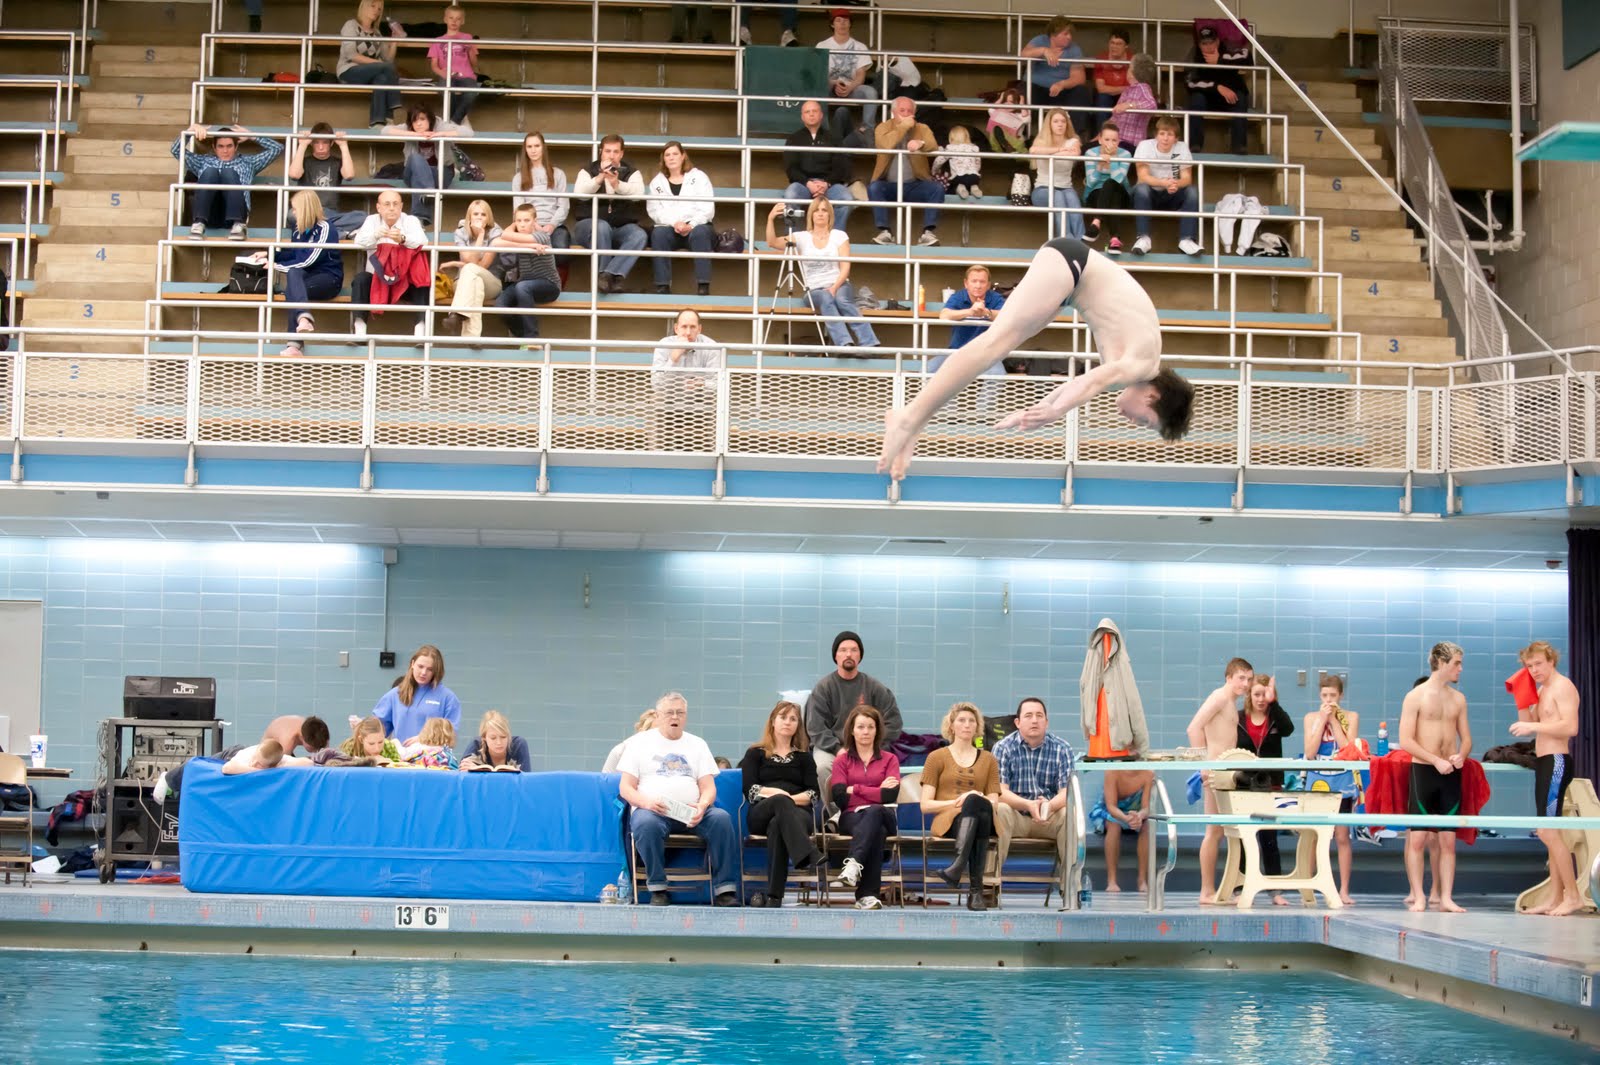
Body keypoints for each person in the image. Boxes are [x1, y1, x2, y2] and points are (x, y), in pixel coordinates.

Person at [877, 235, 1194, 480]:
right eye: (1144, 420)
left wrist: (1045, 407)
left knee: (1000, 343)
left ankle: (915, 420)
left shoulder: (1134, 371)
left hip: (1072, 280)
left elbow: (1080, 384)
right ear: (1153, 396)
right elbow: (1089, 383)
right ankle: (909, 417)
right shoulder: (1142, 365)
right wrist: (1055, 411)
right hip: (1073, 266)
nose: (1131, 421)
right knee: (995, 344)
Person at [618, 692, 740, 906]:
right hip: (654, 810)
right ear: (658, 715)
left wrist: (702, 806)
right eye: (669, 713)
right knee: (645, 823)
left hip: (692, 811)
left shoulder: (698, 744)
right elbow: (626, 788)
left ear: (686, 716)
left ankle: (725, 890)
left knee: (721, 819)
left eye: (680, 713)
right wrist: (646, 803)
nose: (675, 717)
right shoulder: (638, 743)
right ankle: (657, 888)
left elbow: (709, 788)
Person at [1400, 641, 1472, 913]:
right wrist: (1435, 760)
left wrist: (1461, 755)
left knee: (1448, 841)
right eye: (1456, 663)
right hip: (1424, 771)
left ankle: (1446, 897)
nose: (1460, 669)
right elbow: (1406, 740)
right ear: (1441, 663)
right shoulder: (1415, 697)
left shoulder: (1458, 699)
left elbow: (1466, 739)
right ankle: (1419, 896)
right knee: (1417, 839)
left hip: (1450, 773)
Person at [1511, 640, 1583, 916]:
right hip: (1544, 763)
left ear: (1551, 660)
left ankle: (1572, 896)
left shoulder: (1563, 686)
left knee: (1548, 831)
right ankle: (1555, 897)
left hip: (1557, 763)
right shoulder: (1542, 690)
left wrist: (1532, 723)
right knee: (1549, 833)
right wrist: (1521, 695)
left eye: (1538, 663)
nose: (1534, 670)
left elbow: (1570, 727)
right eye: (1529, 666)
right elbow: (1527, 727)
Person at [740, 700, 825, 907]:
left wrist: (787, 799)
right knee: (778, 803)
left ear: (798, 725)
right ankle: (808, 852)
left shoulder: (805, 757)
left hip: (798, 814)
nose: (788, 722)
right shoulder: (755, 753)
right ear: (772, 721)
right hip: (762, 810)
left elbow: (814, 794)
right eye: (783, 717)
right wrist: (778, 795)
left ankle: (774, 897)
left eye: (793, 719)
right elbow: (750, 789)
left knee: (778, 823)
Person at [764, 197, 878, 353]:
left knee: (842, 300)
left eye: (824, 210)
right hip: (814, 290)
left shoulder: (839, 235)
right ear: (811, 214)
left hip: (839, 284)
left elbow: (845, 267)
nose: (820, 213)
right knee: (825, 297)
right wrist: (770, 219)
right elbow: (772, 242)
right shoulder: (801, 237)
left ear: (830, 214)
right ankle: (845, 345)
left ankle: (870, 343)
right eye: (816, 210)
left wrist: (834, 287)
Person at [919, 702, 1000, 910]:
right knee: (976, 811)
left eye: (972, 721)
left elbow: (994, 802)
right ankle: (976, 893)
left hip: (983, 813)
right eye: (961, 720)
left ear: (977, 727)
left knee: (978, 805)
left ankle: (956, 867)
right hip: (948, 820)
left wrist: (974, 797)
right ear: (951, 726)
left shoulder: (989, 759)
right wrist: (959, 801)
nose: (967, 725)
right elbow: (925, 805)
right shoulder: (936, 757)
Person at [1186, 657, 1253, 904]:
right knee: (1213, 832)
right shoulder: (1219, 697)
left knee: (1221, 833)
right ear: (1228, 678)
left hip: (1224, 773)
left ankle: (1219, 890)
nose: (1245, 684)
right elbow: (1193, 728)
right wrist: (1203, 766)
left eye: (1249, 679)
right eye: (1241, 678)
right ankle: (1206, 891)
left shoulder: (1230, 702)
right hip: (1214, 772)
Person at [804, 630, 902, 798]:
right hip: (833, 749)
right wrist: (838, 749)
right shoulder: (824, 688)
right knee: (821, 766)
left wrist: (872, 744)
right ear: (836, 656)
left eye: (854, 650)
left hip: (869, 746)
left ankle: (871, 809)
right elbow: (815, 727)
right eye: (843, 650)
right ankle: (835, 816)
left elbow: (893, 722)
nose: (848, 654)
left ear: (860, 656)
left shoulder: (874, 687)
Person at [992, 697, 1075, 884]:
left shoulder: (1062, 748)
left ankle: (1070, 886)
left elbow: (1067, 792)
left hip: (1049, 816)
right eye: (1028, 716)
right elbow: (999, 792)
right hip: (1016, 816)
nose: (1035, 720)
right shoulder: (1003, 748)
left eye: (1039, 716)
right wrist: (1028, 805)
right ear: (1017, 722)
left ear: (1047, 721)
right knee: (1000, 809)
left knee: (1070, 814)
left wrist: (1049, 807)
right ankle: (991, 886)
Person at [829, 704, 901, 910]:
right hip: (851, 816)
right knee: (875, 829)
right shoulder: (842, 761)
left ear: (877, 730)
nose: (866, 731)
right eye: (860, 727)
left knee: (877, 811)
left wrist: (856, 789)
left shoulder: (890, 759)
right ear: (852, 730)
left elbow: (890, 795)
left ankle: (852, 863)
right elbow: (840, 797)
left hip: (885, 814)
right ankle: (867, 896)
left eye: (870, 726)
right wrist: (875, 790)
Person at [1237, 672, 1293, 904]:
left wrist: (1274, 704)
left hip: (1270, 784)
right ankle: (1240, 887)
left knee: (1269, 838)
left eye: (1264, 695)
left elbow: (1289, 729)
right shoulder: (1239, 718)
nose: (1261, 699)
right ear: (1249, 695)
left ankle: (1275, 891)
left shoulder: (1275, 719)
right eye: (1257, 694)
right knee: (1243, 837)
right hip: (1244, 784)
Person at [1304, 674, 1360, 906]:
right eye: (1325, 695)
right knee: (1315, 835)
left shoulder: (1351, 716)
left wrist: (1334, 720)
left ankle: (1343, 890)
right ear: (1320, 695)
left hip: (1342, 781)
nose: (1328, 700)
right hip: (1318, 780)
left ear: (1341, 696)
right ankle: (1308, 888)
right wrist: (1322, 721)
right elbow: (1309, 752)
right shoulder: (1311, 718)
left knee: (1341, 836)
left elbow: (1349, 749)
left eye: (1333, 696)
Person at [173, 123, 283, 240]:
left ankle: (238, 225)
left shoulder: (248, 163)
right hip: (210, 214)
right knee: (210, 172)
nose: (225, 150)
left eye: (229, 146)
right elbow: (176, 150)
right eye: (221, 146)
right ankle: (198, 223)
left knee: (228, 172)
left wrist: (252, 136)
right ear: (214, 148)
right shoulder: (204, 161)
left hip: (235, 215)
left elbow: (277, 149)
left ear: (236, 147)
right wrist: (190, 131)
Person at [571, 134, 648, 293]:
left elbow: (638, 194)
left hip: (619, 228)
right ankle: (606, 276)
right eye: (607, 151)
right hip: (588, 227)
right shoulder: (588, 170)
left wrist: (616, 184)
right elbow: (579, 193)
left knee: (639, 235)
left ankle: (607, 275)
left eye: (615, 151)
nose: (611, 155)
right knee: (602, 226)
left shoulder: (632, 172)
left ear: (621, 154)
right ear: (601, 152)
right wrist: (600, 178)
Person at [272, 190, 344, 357]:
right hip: (305, 279)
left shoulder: (326, 228)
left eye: (295, 208)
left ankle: (295, 344)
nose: (293, 212)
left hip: (328, 279)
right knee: (294, 279)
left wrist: (275, 266)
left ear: (305, 208)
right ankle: (303, 320)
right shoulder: (298, 230)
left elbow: (309, 260)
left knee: (293, 287)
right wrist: (269, 255)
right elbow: (293, 255)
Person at [350, 189, 430, 336]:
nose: (392, 208)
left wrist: (403, 239)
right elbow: (358, 241)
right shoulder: (371, 220)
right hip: (377, 279)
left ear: (401, 207)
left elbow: (423, 241)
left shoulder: (410, 220)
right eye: (387, 204)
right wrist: (375, 236)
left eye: (395, 204)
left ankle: (421, 331)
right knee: (360, 280)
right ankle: (359, 331)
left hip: (403, 280)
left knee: (421, 283)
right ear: (378, 207)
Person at [868, 95, 942, 247]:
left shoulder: (922, 128)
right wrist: (903, 127)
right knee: (874, 187)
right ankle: (885, 233)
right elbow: (885, 144)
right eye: (902, 110)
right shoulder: (883, 127)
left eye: (909, 111)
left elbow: (933, 145)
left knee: (937, 189)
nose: (906, 113)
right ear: (893, 112)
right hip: (888, 184)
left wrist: (920, 143)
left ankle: (927, 233)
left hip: (915, 184)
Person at [646, 141, 716, 296]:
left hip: (697, 228)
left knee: (700, 233)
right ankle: (662, 286)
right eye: (667, 155)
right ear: (663, 159)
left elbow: (707, 209)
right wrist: (675, 223)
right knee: (658, 234)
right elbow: (654, 211)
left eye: (675, 154)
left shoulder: (699, 177)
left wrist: (690, 225)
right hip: (671, 229)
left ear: (683, 156)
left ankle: (703, 285)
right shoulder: (656, 182)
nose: (671, 158)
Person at [483, 203, 560, 341]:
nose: (522, 224)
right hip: (524, 284)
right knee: (500, 304)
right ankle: (521, 335)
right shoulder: (524, 239)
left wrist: (520, 236)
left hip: (548, 285)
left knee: (522, 286)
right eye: (518, 221)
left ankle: (532, 338)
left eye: (527, 220)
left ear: (535, 221)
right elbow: (496, 242)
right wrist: (529, 246)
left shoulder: (542, 237)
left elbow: (505, 234)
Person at [650, 307, 723, 449]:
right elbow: (656, 385)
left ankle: (714, 452)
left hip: (700, 401)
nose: (688, 332)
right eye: (684, 327)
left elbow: (718, 384)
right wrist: (674, 358)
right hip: (669, 400)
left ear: (699, 329)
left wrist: (701, 384)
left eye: (692, 327)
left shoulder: (712, 347)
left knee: (719, 402)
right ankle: (656, 454)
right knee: (654, 400)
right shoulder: (664, 345)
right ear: (676, 328)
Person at [1131, 115, 1200, 256]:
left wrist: (1175, 184)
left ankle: (1186, 240)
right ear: (1156, 135)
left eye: (1170, 134)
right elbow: (1142, 176)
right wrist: (1163, 182)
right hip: (1149, 195)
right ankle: (1143, 238)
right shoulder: (1144, 146)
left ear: (1176, 138)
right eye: (1162, 133)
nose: (1165, 138)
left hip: (1172, 193)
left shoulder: (1182, 148)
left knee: (1192, 191)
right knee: (1141, 188)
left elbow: (1187, 179)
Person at [382, 104, 460, 227]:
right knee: (416, 159)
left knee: (418, 179)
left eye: (422, 119)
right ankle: (428, 191)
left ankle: (419, 221)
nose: (418, 124)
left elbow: (468, 132)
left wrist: (441, 134)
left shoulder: (439, 126)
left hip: (440, 175)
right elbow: (385, 131)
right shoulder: (409, 128)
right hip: (415, 174)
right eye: (415, 120)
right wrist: (413, 135)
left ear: (430, 119)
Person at [436, 198, 501, 338]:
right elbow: (471, 260)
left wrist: (455, 264)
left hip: (491, 282)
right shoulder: (461, 233)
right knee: (475, 283)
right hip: (463, 283)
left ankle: (457, 313)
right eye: (475, 214)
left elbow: (483, 266)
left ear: (488, 217)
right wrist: (479, 238)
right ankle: (472, 338)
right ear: (469, 217)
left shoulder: (495, 233)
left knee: (471, 271)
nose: (479, 217)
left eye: (483, 214)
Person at [288, 123, 367, 237]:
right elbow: (294, 175)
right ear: (312, 144)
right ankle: (336, 232)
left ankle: (324, 231)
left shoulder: (337, 162)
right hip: (307, 210)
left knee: (363, 217)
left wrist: (344, 145)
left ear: (332, 143)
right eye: (316, 142)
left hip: (330, 213)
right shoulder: (304, 161)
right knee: (292, 215)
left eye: (325, 142)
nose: (321, 147)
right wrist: (302, 145)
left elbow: (349, 175)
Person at [927, 263, 1005, 379]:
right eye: (974, 281)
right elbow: (944, 315)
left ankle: (984, 399)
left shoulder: (995, 298)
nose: (978, 285)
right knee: (928, 369)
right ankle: (946, 398)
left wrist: (986, 312)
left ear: (988, 285)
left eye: (982, 282)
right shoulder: (958, 296)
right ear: (966, 283)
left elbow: (1005, 316)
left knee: (998, 375)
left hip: (987, 353)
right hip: (957, 351)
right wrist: (970, 312)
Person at [783, 100, 854, 227]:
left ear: (821, 115)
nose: (811, 114)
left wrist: (826, 183)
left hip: (829, 184)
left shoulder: (833, 138)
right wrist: (808, 183)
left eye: (814, 111)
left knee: (846, 198)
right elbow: (791, 168)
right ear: (802, 116)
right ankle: (794, 238)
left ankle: (835, 237)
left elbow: (841, 166)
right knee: (790, 195)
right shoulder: (794, 139)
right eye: (807, 112)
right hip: (803, 184)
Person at [373, 643, 461, 740]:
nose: (423, 672)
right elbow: (378, 728)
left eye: (430, 669)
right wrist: (362, 727)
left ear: (436, 671)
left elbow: (450, 736)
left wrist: (423, 739)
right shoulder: (396, 694)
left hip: (432, 754)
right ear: (412, 664)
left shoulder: (448, 698)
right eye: (420, 666)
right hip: (402, 754)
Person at [1184, 26, 1250, 155]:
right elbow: (1190, 83)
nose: (1209, 46)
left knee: (1240, 97)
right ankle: (1194, 145)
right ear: (1199, 44)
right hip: (1207, 98)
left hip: (1230, 98)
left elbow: (1247, 57)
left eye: (1211, 42)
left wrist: (1220, 60)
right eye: (1204, 43)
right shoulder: (1194, 55)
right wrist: (1217, 87)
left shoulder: (1227, 49)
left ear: (1218, 41)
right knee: (1196, 99)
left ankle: (1239, 147)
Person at [337, 0, 403, 129]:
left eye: (379, 9)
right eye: (373, 6)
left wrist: (395, 40)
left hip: (371, 74)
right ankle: (393, 109)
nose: (376, 11)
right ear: (364, 6)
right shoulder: (351, 25)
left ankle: (377, 122)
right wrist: (379, 63)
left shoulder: (377, 33)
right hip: (349, 71)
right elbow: (352, 55)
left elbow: (388, 60)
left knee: (382, 78)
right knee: (385, 68)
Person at [817, 9, 876, 144]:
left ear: (850, 24)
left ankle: (868, 130)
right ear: (832, 24)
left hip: (852, 88)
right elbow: (819, 73)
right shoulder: (822, 46)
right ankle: (820, 128)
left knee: (870, 92)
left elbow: (861, 75)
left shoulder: (860, 46)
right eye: (838, 20)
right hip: (830, 86)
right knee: (818, 88)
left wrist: (850, 87)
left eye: (845, 21)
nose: (842, 24)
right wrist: (833, 83)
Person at [1091, 763, 1151, 894]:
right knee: (1114, 825)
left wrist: (1139, 817)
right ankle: (1112, 881)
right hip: (1110, 812)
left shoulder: (1148, 773)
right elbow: (1111, 806)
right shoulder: (1112, 771)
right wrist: (1126, 819)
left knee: (1146, 826)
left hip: (1134, 813)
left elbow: (1146, 807)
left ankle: (1142, 880)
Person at [510, 131, 571, 250]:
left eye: (537, 146)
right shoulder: (518, 178)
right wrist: (534, 225)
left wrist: (552, 225)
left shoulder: (558, 174)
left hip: (554, 225)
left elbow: (563, 206)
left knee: (560, 247)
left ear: (543, 147)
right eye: (529, 146)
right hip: (528, 225)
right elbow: (518, 208)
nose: (533, 150)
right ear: (525, 150)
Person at [1029, 108, 1084, 239]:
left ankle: (1079, 240)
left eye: (1063, 121)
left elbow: (1074, 153)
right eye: (1056, 121)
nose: (1060, 124)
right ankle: (1066, 239)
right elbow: (1033, 151)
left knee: (1072, 200)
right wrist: (1060, 149)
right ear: (1049, 124)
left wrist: (1049, 152)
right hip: (1042, 189)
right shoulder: (1041, 141)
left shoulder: (1073, 141)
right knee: (1057, 195)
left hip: (1066, 187)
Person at [1020, 16, 1088, 114]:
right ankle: (1023, 128)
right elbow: (1023, 55)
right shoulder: (1040, 40)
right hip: (1035, 87)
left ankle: (1077, 129)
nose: (1069, 37)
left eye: (1070, 34)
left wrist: (1062, 84)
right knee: (1023, 93)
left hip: (1061, 91)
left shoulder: (1074, 49)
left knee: (1081, 92)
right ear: (1053, 34)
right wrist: (1043, 50)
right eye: (1065, 34)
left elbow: (1079, 78)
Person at [1082, 122, 1132, 252]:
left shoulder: (1125, 154)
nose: (1110, 143)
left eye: (1114, 140)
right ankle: (1115, 239)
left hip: (1121, 193)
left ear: (1119, 141)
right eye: (1107, 139)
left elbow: (1119, 180)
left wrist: (1112, 159)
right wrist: (1099, 166)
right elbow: (1091, 182)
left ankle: (1097, 221)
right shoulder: (1090, 153)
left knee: (1110, 184)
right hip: (1095, 193)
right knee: (1110, 194)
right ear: (1099, 140)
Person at [428, 4, 478, 126]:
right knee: (444, 91)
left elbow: (474, 63)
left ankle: (454, 121)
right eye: (451, 18)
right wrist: (443, 74)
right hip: (447, 75)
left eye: (458, 19)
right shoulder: (437, 40)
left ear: (463, 21)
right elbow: (434, 65)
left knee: (472, 92)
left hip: (466, 76)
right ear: (445, 19)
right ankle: (460, 117)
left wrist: (470, 49)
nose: (454, 21)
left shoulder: (467, 37)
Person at [1111, 53, 1160, 149]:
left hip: (1130, 143)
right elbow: (1114, 119)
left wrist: (1129, 105)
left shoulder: (1142, 87)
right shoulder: (1128, 90)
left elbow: (1151, 104)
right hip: (1117, 140)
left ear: (1135, 72)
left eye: (1129, 67)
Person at [460, 709, 531, 771]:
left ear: (509, 736)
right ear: (484, 738)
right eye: (493, 738)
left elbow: (526, 780)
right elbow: (462, 773)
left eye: (503, 737)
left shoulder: (519, 745)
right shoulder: (476, 745)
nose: (499, 743)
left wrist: (477, 771)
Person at [1093, 27, 1133, 129]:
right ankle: (1101, 134)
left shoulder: (1133, 60)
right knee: (1103, 98)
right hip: (1106, 97)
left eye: (1119, 44)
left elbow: (1134, 89)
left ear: (1126, 46)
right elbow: (1101, 88)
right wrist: (1124, 88)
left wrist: (1122, 90)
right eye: (1112, 43)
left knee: (1130, 100)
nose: (1114, 46)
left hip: (1126, 97)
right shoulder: (1101, 58)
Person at [934, 126, 982, 199]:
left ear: (951, 138)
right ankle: (974, 188)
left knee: (955, 185)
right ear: (967, 137)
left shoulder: (950, 148)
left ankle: (960, 188)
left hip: (959, 177)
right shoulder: (974, 148)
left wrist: (934, 170)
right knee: (972, 183)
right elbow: (978, 163)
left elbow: (939, 161)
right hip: (974, 176)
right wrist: (976, 171)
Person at [221, 738, 298, 775]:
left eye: (259, 764)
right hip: (230, 753)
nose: (254, 763)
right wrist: (260, 771)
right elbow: (226, 768)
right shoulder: (248, 755)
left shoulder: (280, 759)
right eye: (255, 758)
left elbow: (307, 762)